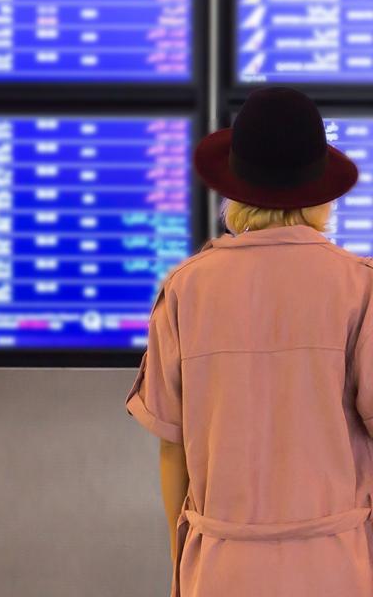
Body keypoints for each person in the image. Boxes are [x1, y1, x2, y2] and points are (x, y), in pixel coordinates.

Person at [125, 87, 373, 596]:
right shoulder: (360, 287)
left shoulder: (185, 289)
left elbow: (174, 450)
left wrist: (183, 566)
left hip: (220, 567)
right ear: (320, 190)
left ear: (234, 188)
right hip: (337, 567)